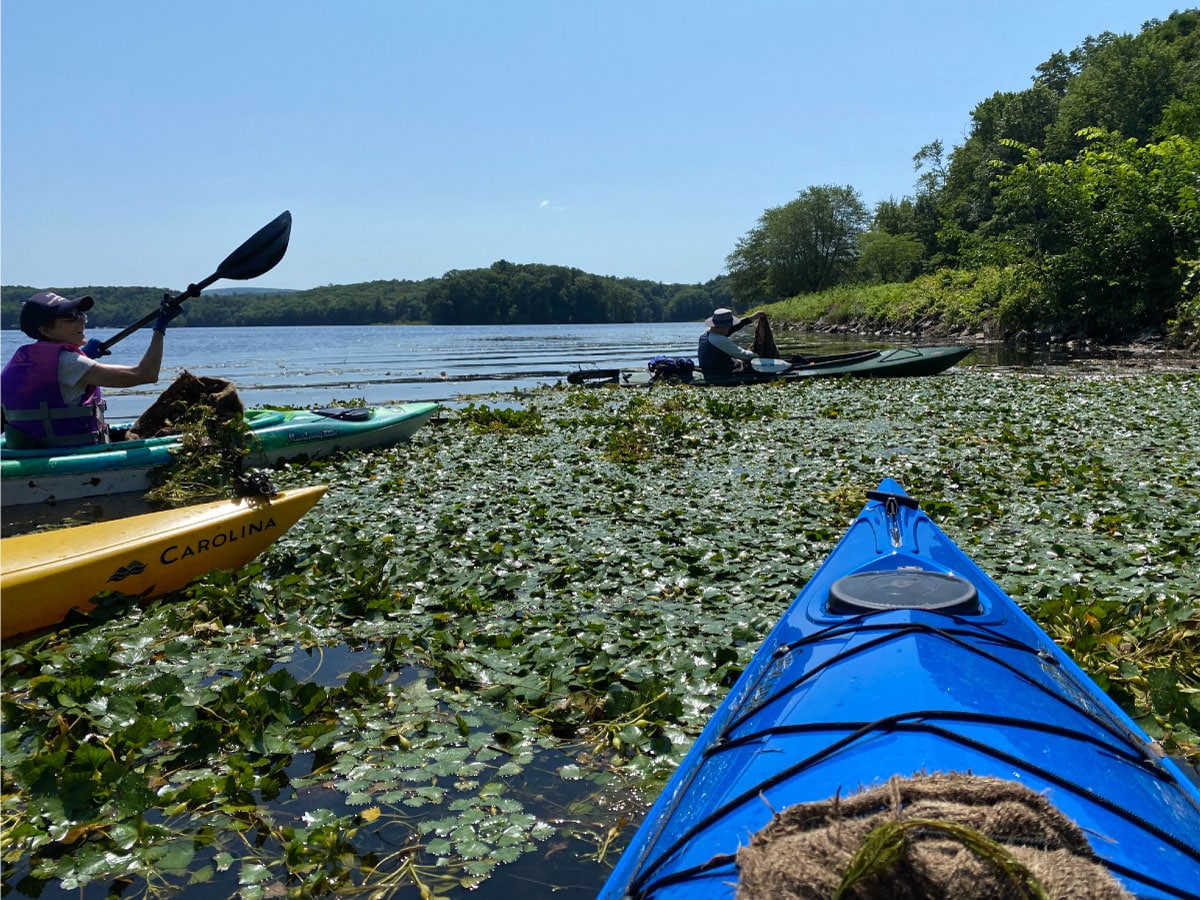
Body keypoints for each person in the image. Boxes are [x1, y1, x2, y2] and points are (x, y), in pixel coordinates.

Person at [1, 290, 183, 448]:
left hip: (35, 450)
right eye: (71, 317)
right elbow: (145, 374)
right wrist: (160, 328)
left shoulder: (22, 360)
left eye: (80, 314)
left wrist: (84, 356)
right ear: (46, 330)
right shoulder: (70, 363)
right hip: (71, 454)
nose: (81, 320)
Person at [697, 307, 769, 375]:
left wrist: (752, 317)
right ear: (722, 327)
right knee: (747, 364)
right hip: (719, 371)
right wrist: (758, 356)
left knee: (738, 360)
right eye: (728, 326)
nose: (729, 329)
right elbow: (743, 354)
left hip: (707, 367)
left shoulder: (705, 335)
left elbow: (734, 328)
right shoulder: (719, 339)